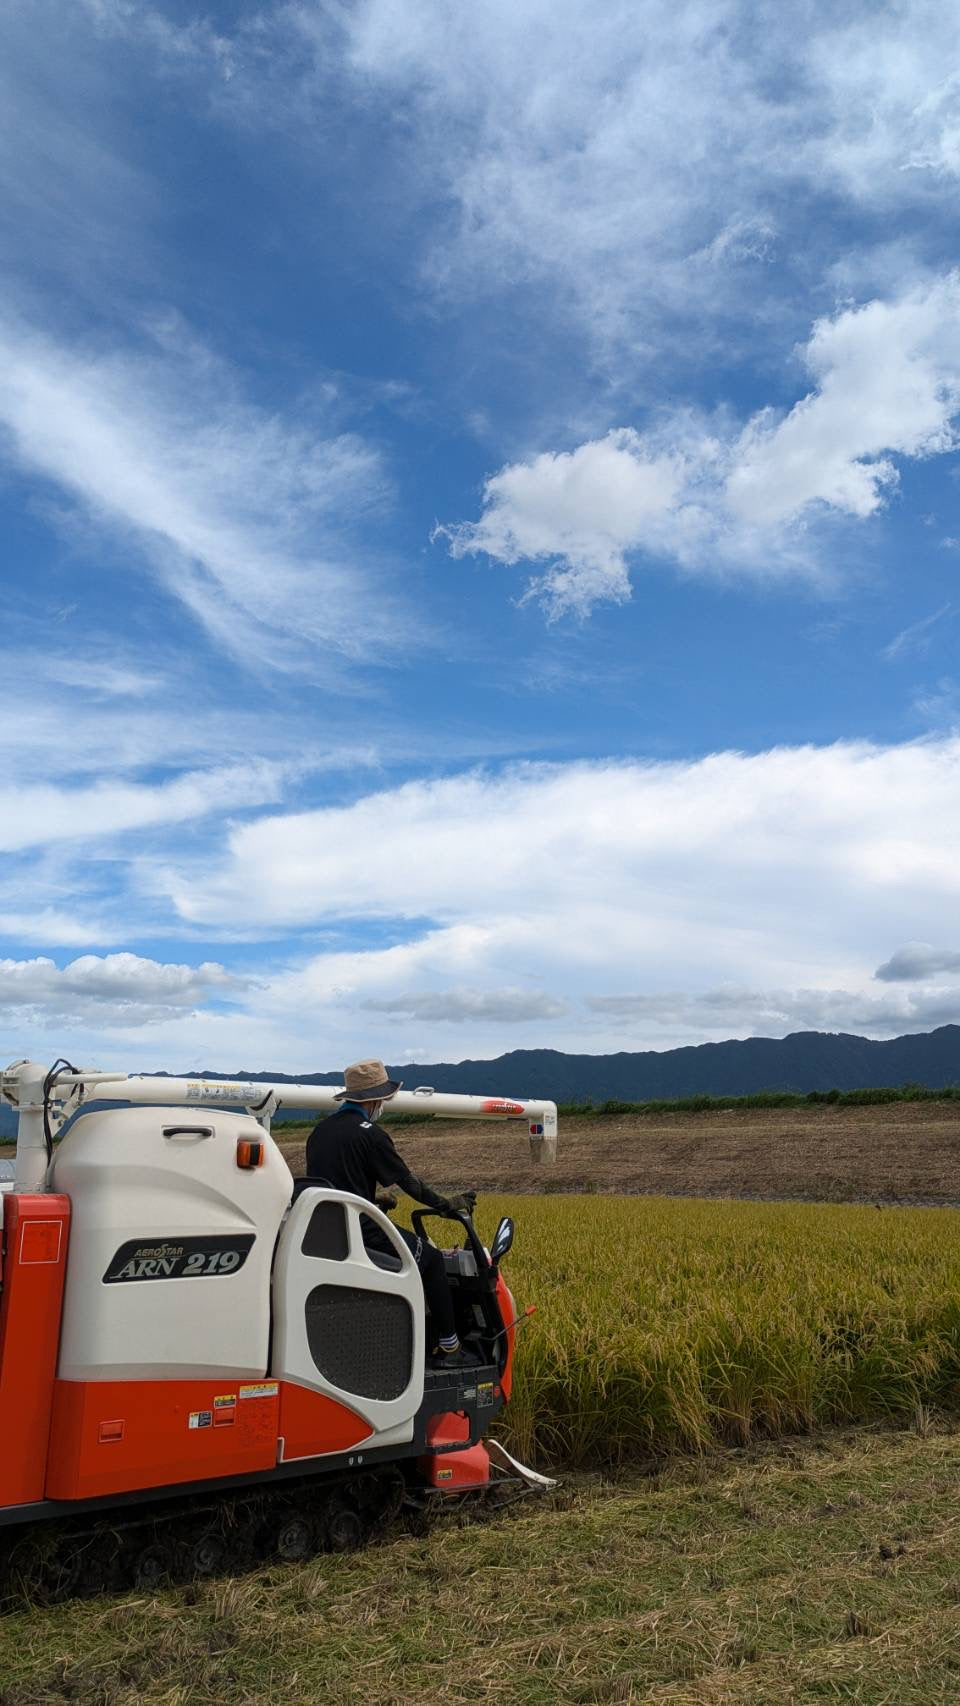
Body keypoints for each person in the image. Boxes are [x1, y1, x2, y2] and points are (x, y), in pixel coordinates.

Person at [305, 1058, 476, 1367]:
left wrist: (373, 1197)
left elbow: (334, 1182)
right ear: (373, 1100)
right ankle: (450, 1347)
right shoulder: (370, 1134)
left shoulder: (319, 1131)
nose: (383, 1104)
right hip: (360, 1227)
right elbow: (409, 1183)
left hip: (324, 1227)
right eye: (383, 1099)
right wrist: (445, 1204)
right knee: (433, 1260)